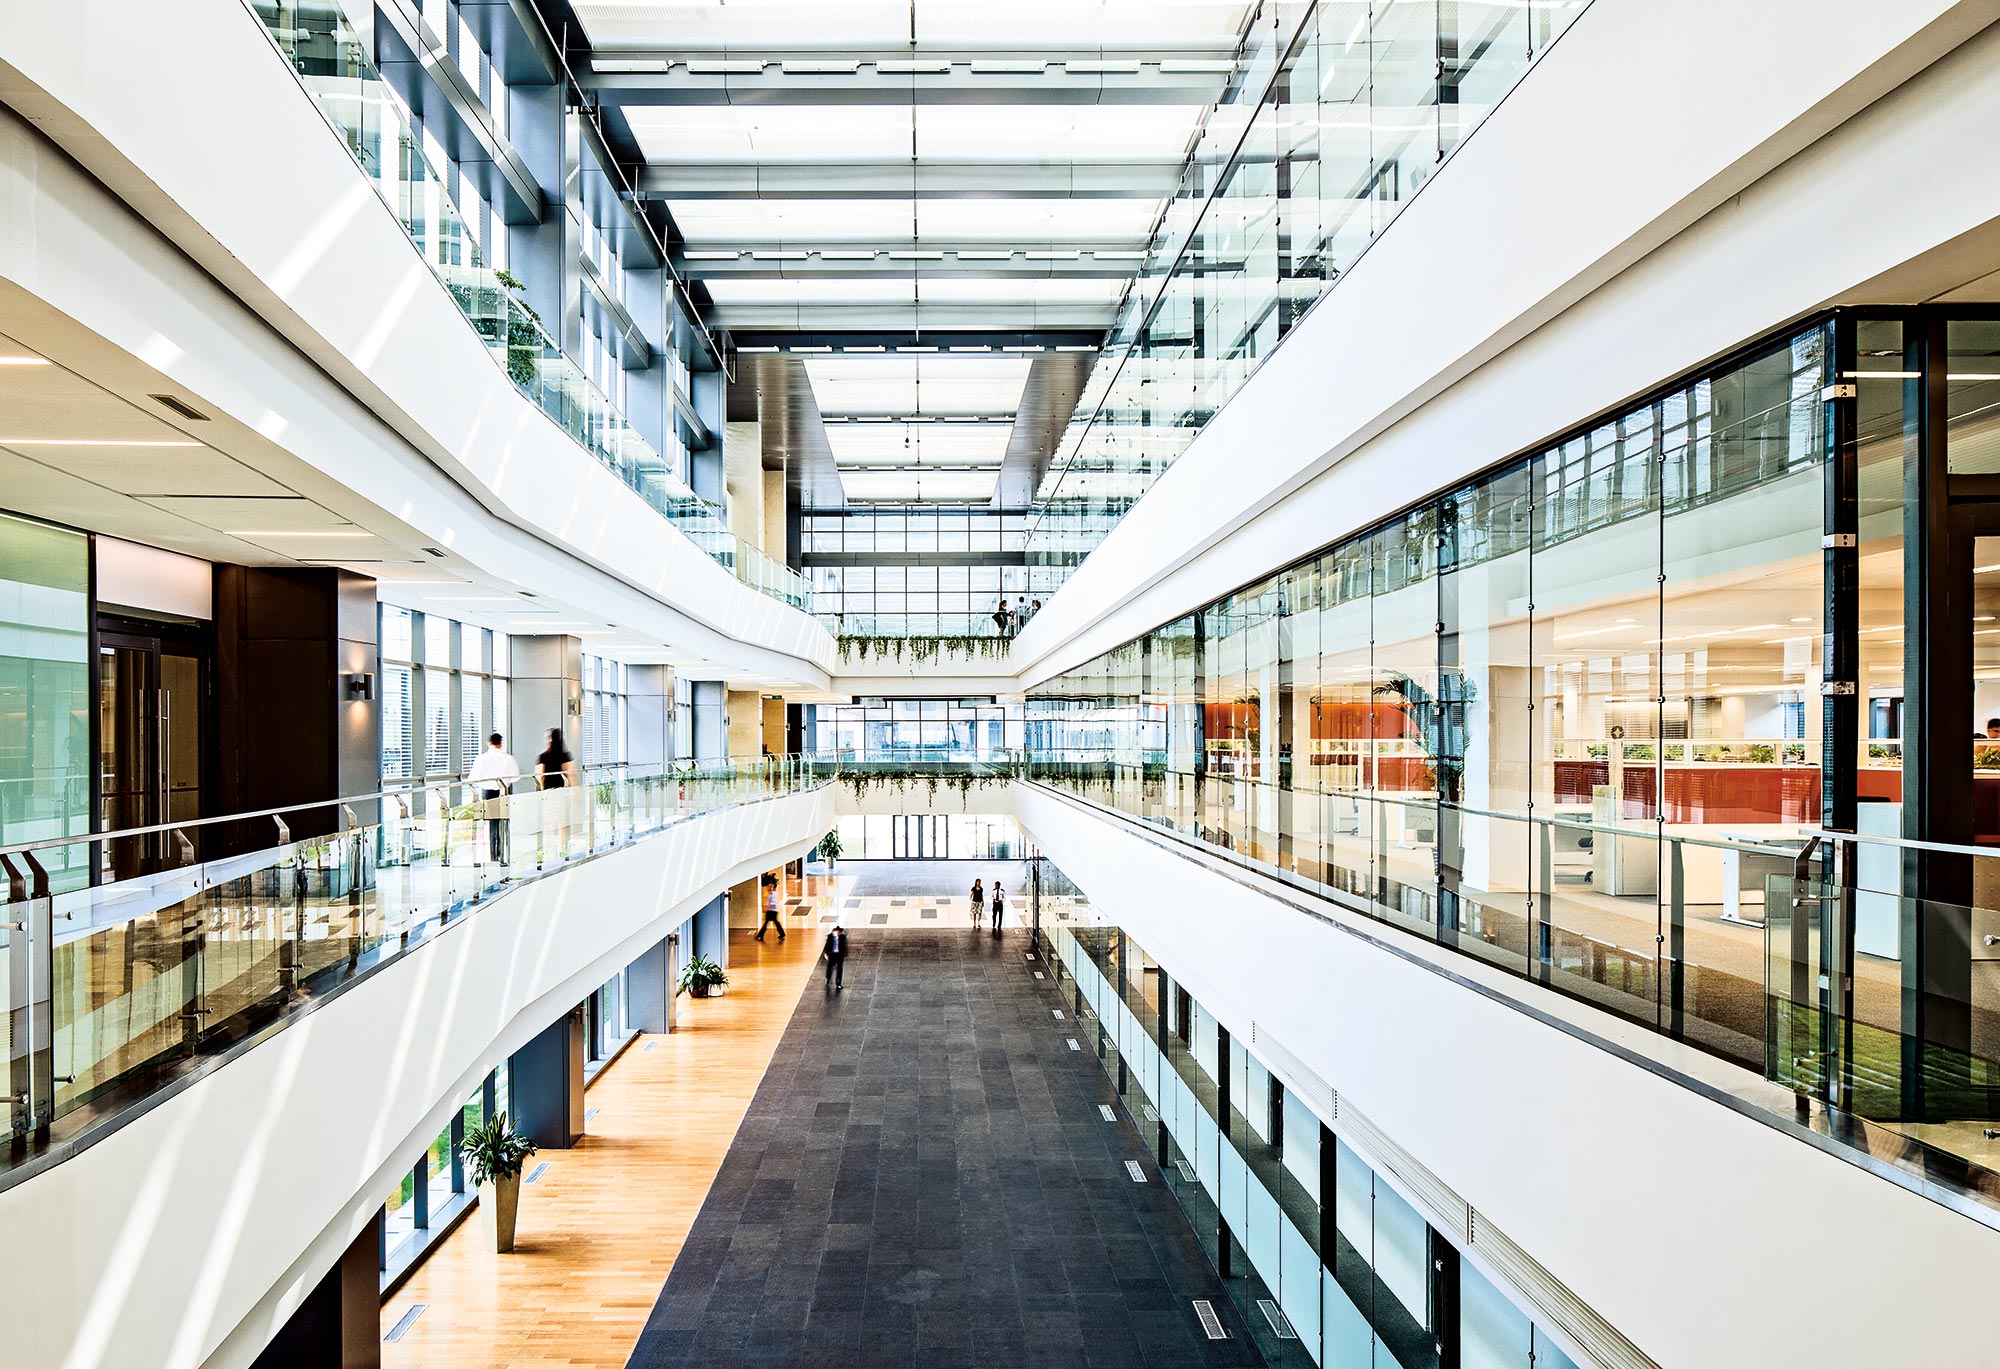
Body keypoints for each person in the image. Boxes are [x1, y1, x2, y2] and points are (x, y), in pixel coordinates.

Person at [467, 733, 522, 865]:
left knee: (492, 823)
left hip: (487, 792)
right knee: (503, 821)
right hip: (503, 791)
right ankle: (504, 853)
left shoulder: (481, 758)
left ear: (488, 743)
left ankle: (493, 854)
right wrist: (506, 781)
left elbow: (473, 777)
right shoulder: (508, 758)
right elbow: (516, 776)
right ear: (500, 743)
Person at [537, 727, 578, 853]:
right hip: (561, 791)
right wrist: (576, 792)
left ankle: (546, 850)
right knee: (562, 822)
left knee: (549, 821)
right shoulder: (564, 755)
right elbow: (572, 775)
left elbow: (540, 777)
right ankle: (562, 847)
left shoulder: (543, 756)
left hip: (548, 792)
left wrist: (543, 791)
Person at [755, 874, 787, 941]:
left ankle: (760, 935)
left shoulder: (773, 894)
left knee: (767, 924)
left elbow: (774, 903)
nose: (768, 888)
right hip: (772, 911)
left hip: (772, 911)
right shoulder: (771, 894)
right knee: (773, 923)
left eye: (769, 887)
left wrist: (767, 907)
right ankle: (781, 934)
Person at [822, 923, 849, 989]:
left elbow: (844, 946)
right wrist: (826, 954)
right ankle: (828, 978)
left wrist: (844, 953)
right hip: (831, 955)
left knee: (839, 969)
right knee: (830, 968)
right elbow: (827, 946)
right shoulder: (830, 937)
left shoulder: (842, 937)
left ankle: (838, 983)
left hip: (839, 955)